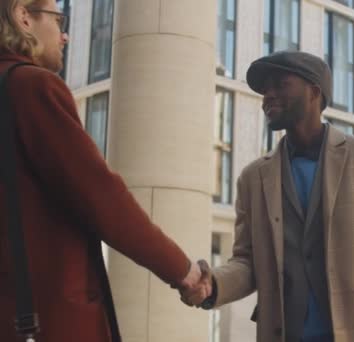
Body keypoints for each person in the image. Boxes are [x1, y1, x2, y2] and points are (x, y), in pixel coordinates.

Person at [0, 0, 210, 341]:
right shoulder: (32, 87)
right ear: (23, 16)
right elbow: (101, 197)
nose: (64, 35)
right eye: (58, 19)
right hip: (44, 319)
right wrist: (182, 270)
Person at [181, 50, 354, 342]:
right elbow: (247, 262)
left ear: (315, 92)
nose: (268, 95)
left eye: (280, 84)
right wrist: (213, 284)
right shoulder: (252, 178)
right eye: (264, 90)